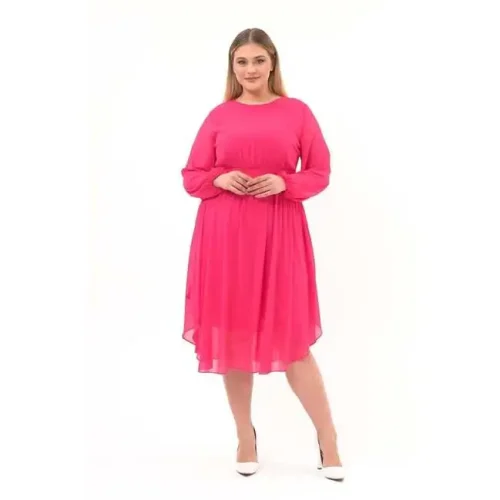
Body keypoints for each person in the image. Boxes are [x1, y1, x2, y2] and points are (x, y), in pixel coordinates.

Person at [180, 28, 344, 481]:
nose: (250, 69)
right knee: (232, 338)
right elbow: (192, 174)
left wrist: (284, 182)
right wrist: (218, 178)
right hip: (224, 235)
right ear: (232, 67)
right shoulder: (219, 115)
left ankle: (328, 437)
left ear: (272, 62)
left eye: (257, 60)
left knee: (293, 342)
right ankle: (245, 438)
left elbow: (320, 171)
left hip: (278, 231)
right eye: (241, 62)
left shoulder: (297, 112)